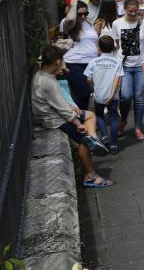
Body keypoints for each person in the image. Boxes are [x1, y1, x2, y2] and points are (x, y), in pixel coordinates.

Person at [33, 45, 111, 187]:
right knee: (84, 141)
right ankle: (90, 176)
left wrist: (70, 107)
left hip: (49, 114)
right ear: (57, 62)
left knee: (90, 115)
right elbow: (62, 110)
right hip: (54, 119)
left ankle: (93, 139)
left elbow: (53, 102)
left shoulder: (39, 75)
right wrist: (77, 123)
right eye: (62, 61)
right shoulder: (49, 82)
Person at [112, 0, 144, 141]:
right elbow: (117, 45)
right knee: (126, 96)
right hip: (124, 65)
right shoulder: (117, 24)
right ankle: (123, 120)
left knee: (139, 98)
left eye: (136, 11)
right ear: (124, 9)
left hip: (141, 64)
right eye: (130, 11)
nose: (133, 14)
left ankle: (137, 127)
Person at [84, 35, 123, 152]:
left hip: (99, 95)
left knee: (100, 115)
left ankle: (105, 136)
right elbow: (117, 80)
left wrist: (95, 86)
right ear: (113, 47)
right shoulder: (117, 61)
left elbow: (88, 79)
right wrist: (111, 95)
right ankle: (114, 144)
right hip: (113, 96)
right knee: (114, 118)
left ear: (99, 47)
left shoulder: (93, 61)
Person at [61, 0, 100, 110]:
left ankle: (83, 119)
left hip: (92, 63)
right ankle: (80, 120)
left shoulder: (88, 23)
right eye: (80, 14)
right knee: (83, 92)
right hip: (74, 63)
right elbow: (70, 18)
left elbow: (94, 42)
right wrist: (73, 4)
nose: (83, 16)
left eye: (85, 13)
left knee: (89, 94)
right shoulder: (68, 23)